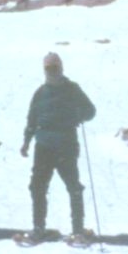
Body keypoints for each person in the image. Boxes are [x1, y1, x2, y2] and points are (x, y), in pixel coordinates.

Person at [20, 52, 96, 243]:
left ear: (61, 68)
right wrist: (27, 141)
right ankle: (38, 228)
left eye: (55, 68)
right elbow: (32, 118)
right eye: (49, 68)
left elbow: (90, 111)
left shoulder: (72, 89)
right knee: (37, 187)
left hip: (66, 145)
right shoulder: (40, 93)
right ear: (45, 70)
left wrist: (77, 116)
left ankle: (77, 230)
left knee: (73, 187)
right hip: (44, 146)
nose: (52, 72)